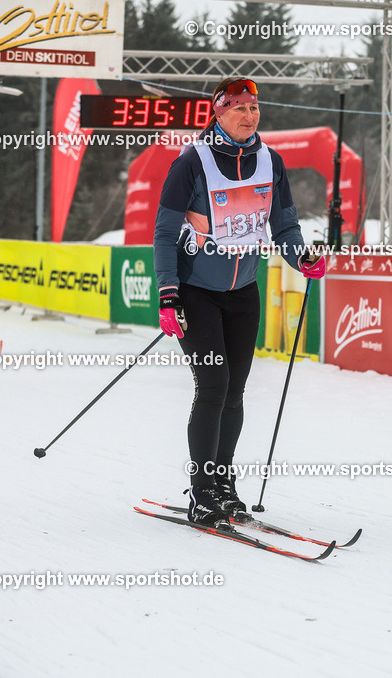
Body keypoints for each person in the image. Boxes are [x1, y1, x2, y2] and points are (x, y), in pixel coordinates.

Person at [153, 77, 326, 528]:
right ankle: (203, 489)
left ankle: (224, 483)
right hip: (197, 291)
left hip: (243, 292)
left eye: (254, 107)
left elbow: (284, 227)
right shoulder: (192, 162)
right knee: (213, 385)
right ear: (218, 113)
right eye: (237, 108)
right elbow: (165, 232)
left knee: (235, 391)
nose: (248, 115)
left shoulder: (272, 162)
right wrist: (168, 293)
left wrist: (301, 256)